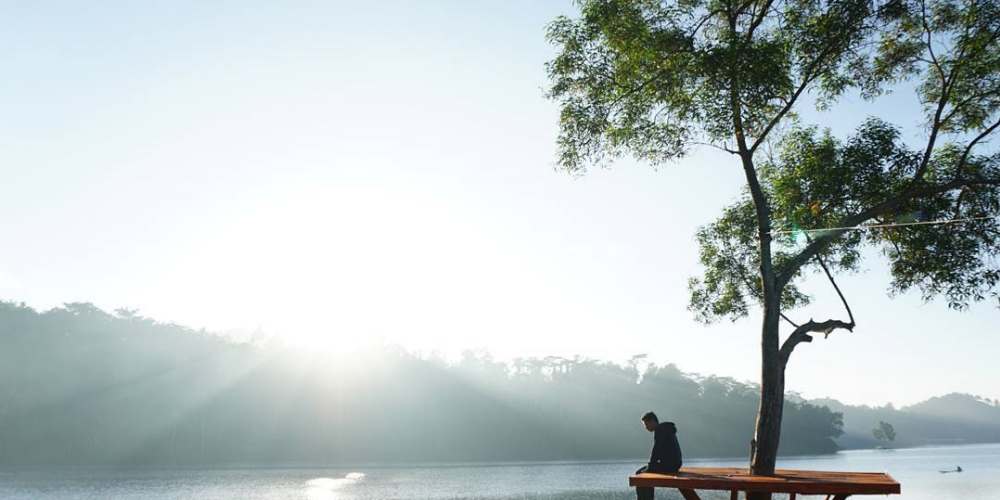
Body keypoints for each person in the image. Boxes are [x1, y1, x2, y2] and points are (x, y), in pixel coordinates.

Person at [634, 411, 683, 500]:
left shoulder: (660, 431)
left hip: (670, 465)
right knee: (641, 472)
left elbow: (656, 452)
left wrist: (650, 466)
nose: (646, 427)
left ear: (653, 421)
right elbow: (658, 452)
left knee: (640, 475)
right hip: (675, 463)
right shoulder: (664, 429)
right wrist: (650, 466)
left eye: (646, 424)